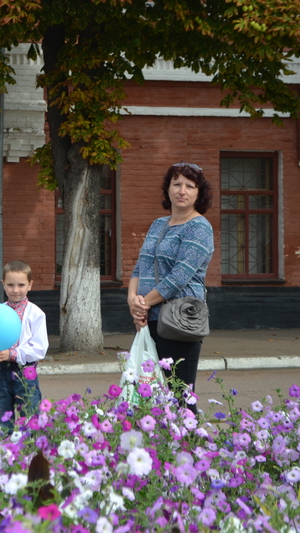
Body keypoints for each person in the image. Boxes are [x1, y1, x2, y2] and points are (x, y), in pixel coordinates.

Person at [128, 162, 214, 413]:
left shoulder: (199, 227)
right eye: (176, 184)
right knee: (149, 391)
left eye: (190, 185)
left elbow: (180, 276)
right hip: (149, 317)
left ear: (199, 193)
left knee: (180, 395)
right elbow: (139, 267)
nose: (182, 190)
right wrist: (133, 300)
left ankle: (193, 448)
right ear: (167, 189)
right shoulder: (158, 224)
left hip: (180, 321)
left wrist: (143, 303)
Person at [0, 260, 49, 431]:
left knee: (30, 414)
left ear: (30, 285)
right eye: (10, 284)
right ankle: (5, 449)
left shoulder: (36, 314)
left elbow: (40, 348)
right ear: (3, 284)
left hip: (25, 371)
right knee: (2, 415)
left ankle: (32, 450)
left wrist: (13, 354)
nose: (15, 290)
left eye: (21, 285)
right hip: (1, 371)